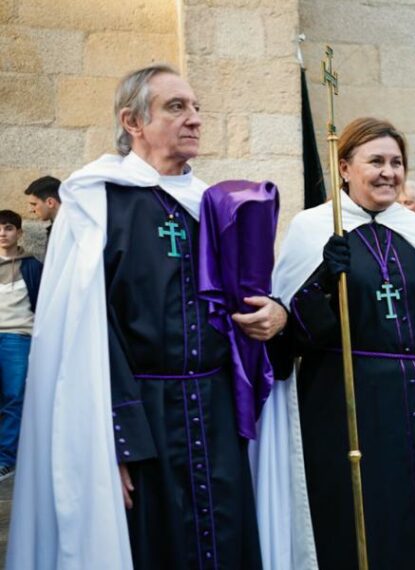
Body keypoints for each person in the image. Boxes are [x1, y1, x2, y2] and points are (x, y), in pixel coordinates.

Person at [6, 64, 286, 569]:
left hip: (216, 408)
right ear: (132, 120)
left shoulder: (213, 204)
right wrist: (113, 441)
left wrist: (276, 313)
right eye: (177, 107)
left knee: (226, 538)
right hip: (140, 416)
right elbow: (84, 334)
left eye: (196, 107)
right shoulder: (97, 201)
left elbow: (250, 300)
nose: (195, 119)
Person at [266, 117, 415, 568]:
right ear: (344, 167)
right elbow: (289, 341)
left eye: (396, 162)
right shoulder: (312, 231)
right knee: (352, 519)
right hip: (342, 403)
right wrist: (323, 281)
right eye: (376, 161)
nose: (388, 172)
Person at [0, 210, 41, 482]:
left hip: (18, 337)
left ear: (20, 233)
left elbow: (41, 303)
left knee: (14, 397)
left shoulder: (32, 266)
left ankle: (5, 459)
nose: (3, 233)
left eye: (8, 228)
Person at [23, 175, 60, 246]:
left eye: (34, 204)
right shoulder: (58, 227)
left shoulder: (71, 229)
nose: (30, 210)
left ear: (50, 202)